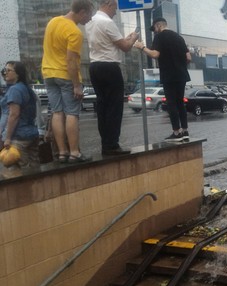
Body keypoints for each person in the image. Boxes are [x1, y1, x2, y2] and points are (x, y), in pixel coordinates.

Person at [41, 0, 94, 163]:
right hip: (65, 75)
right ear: (82, 12)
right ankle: (74, 153)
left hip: (48, 74)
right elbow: (71, 61)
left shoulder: (53, 22)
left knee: (57, 112)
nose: (89, 20)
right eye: (89, 16)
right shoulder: (74, 32)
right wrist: (76, 85)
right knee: (72, 113)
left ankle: (62, 152)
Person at [86, 0, 138, 155]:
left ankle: (105, 143)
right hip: (109, 67)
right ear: (107, 4)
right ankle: (112, 144)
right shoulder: (107, 22)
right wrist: (133, 38)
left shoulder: (90, 22)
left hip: (95, 66)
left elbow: (111, 43)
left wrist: (125, 39)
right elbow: (125, 47)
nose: (116, 11)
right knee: (114, 107)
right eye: (115, 7)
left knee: (102, 107)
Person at [134, 17, 191, 142]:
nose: (154, 31)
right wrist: (179, 63)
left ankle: (176, 133)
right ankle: (185, 131)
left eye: (154, 29)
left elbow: (155, 54)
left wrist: (142, 47)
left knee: (171, 103)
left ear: (159, 26)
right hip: (181, 74)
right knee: (180, 102)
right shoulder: (179, 37)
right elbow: (188, 57)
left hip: (169, 74)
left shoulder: (160, 37)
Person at [0, 61, 40, 169]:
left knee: (20, 170)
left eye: (9, 70)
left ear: (18, 73)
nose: (5, 73)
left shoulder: (15, 90)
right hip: (31, 133)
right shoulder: (26, 88)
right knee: (34, 167)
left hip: (18, 136)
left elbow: (14, 115)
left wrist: (7, 138)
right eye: (5, 70)